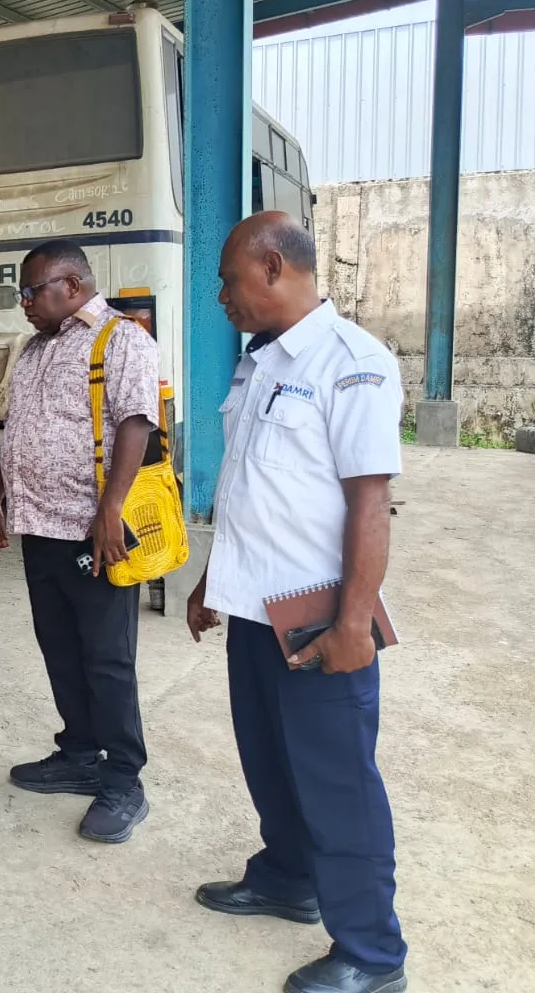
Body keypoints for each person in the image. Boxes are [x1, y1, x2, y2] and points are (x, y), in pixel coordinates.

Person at [186, 211, 409, 993]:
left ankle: (372, 954)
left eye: (228, 280)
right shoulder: (258, 363)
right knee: (270, 759)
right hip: (255, 608)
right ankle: (288, 878)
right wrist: (212, 580)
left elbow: (370, 502)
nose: (221, 297)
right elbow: (252, 487)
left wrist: (354, 623)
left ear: (273, 267)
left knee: (338, 781)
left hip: (316, 617)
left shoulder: (352, 363)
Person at [0, 239, 159, 844]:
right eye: (22, 293)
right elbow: (20, 429)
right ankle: (80, 753)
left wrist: (110, 510)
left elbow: (135, 423)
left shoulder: (121, 339)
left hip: (93, 531)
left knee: (107, 658)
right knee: (59, 646)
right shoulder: (35, 348)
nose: (25, 303)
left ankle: (124, 780)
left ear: (74, 286)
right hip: (40, 525)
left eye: (33, 291)